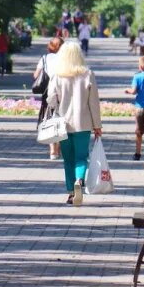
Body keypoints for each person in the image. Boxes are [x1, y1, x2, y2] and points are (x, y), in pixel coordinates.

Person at [45, 42, 102, 206]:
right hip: (83, 124)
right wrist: (97, 125)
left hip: (63, 123)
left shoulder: (57, 75)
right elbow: (94, 103)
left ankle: (71, 192)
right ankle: (79, 180)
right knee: (81, 157)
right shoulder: (87, 74)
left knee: (68, 159)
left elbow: (51, 99)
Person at [33, 36, 64, 160]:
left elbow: (36, 75)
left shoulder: (44, 58)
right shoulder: (65, 58)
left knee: (50, 118)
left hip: (48, 93)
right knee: (61, 118)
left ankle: (53, 151)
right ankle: (60, 148)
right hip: (63, 91)